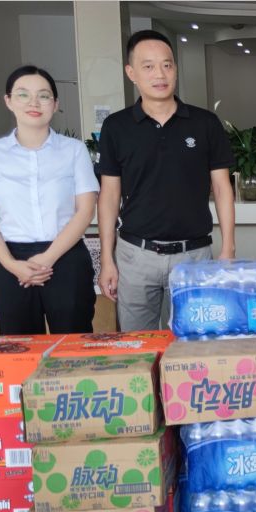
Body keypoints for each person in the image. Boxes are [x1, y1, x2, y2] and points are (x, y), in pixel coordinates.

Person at [96, 30, 237, 332]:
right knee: (137, 345)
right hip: (135, 255)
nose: (159, 74)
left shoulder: (205, 123)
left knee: (193, 343)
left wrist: (228, 249)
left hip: (194, 256)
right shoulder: (116, 127)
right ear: (131, 73)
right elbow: (109, 195)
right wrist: (107, 259)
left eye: (167, 65)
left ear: (175, 70)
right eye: (148, 66)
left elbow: (222, 188)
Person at [0, 65, 98, 334]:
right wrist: (11, 265)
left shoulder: (74, 150)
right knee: (20, 346)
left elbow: (85, 211)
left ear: (55, 104)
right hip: (10, 259)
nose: (33, 103)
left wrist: (48, 258)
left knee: (73, 343)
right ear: (9, 101)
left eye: (43, 96)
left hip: (66, 257)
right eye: (23, 95)